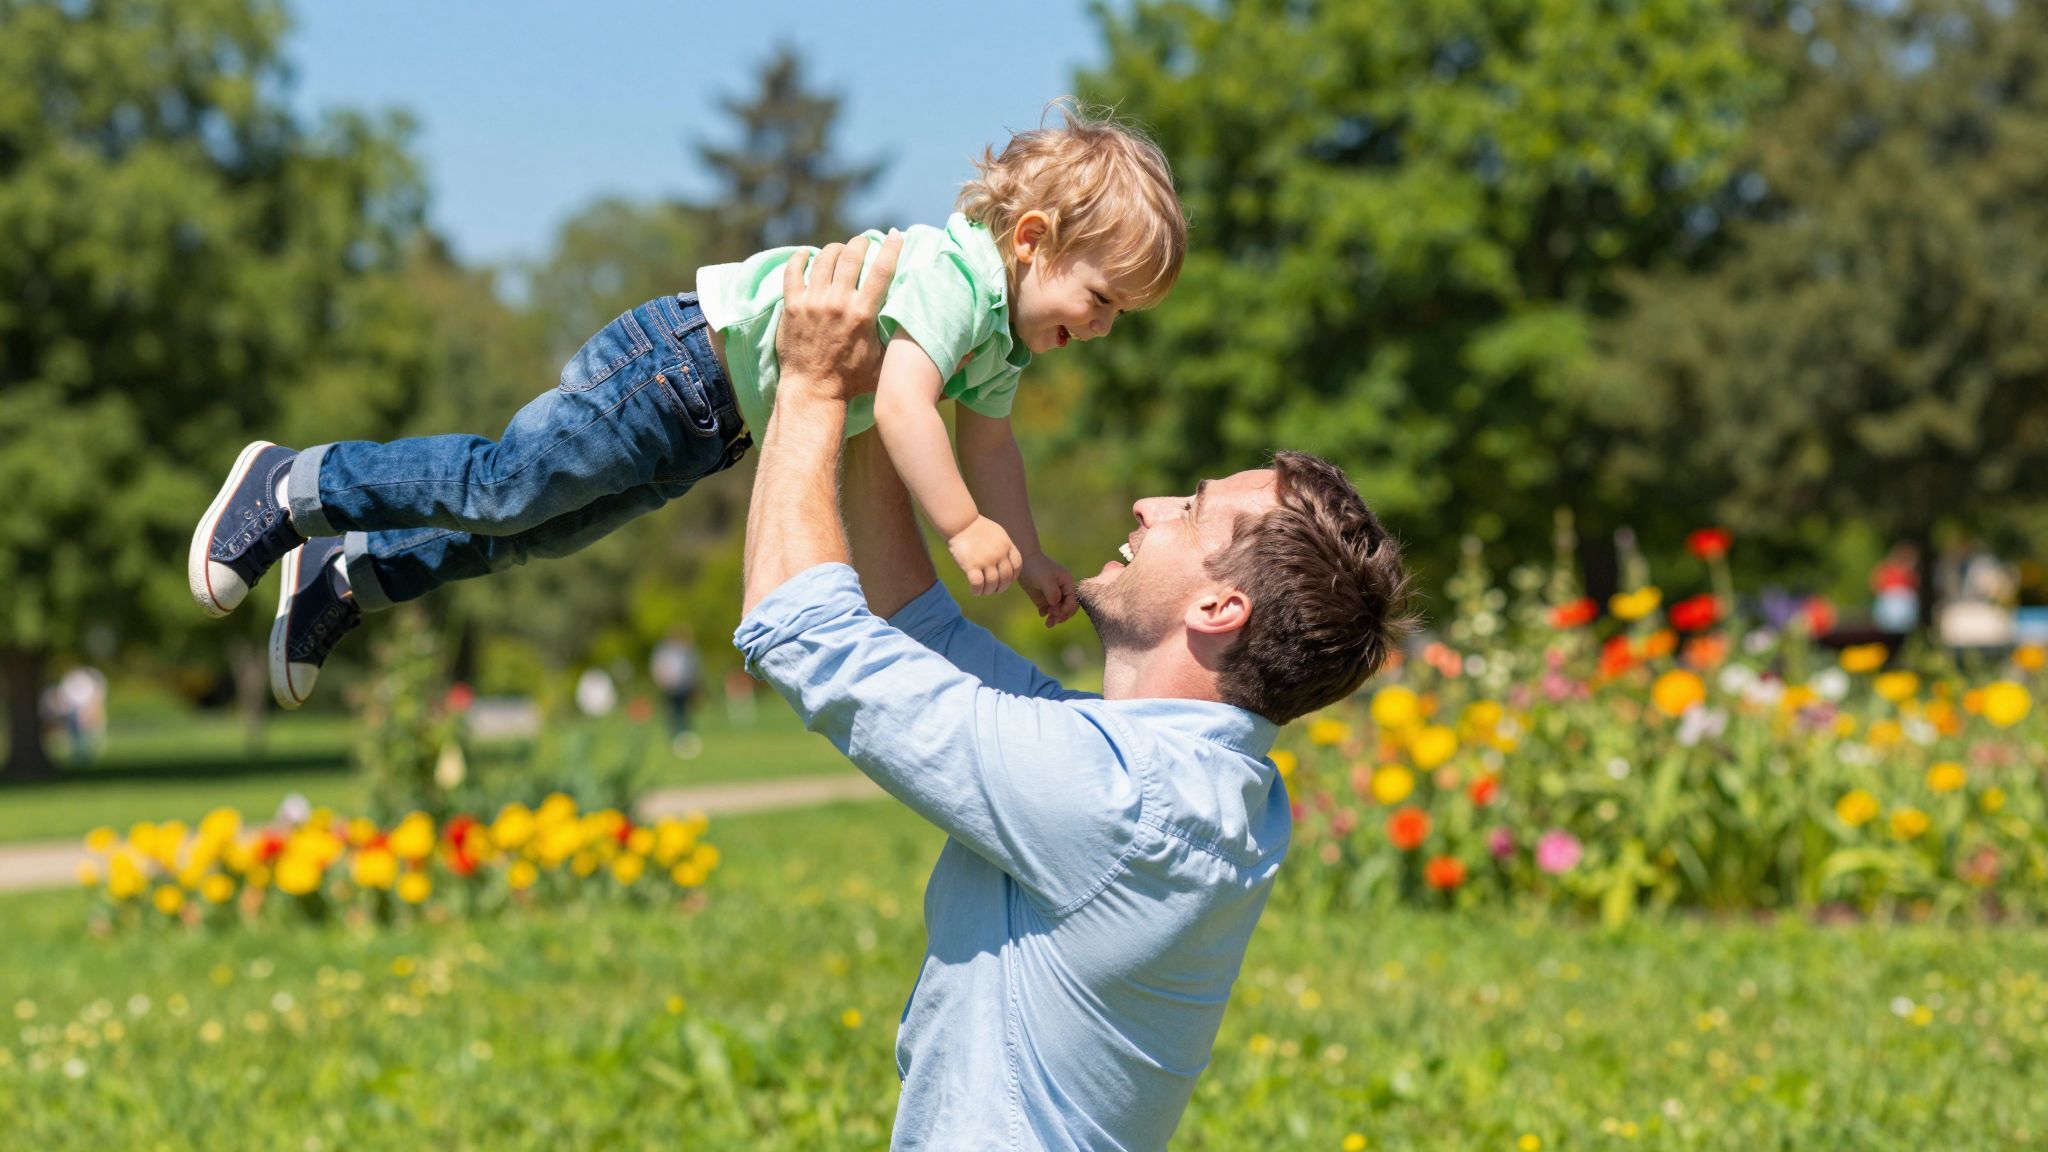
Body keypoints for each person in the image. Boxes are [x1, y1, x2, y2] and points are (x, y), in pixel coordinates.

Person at [737, 235, 1413, 1149]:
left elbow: (802, 629)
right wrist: (886, 397)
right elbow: (916, 631)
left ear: (1219, 606)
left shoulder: (1118, 802)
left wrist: (812, 386)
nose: (1149, 505)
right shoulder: (1192, 780)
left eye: (1191, 510)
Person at [186, 105, 1186, 710]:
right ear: (1032, 239)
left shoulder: (1001, 339)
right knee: (503, 485)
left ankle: (352, 574)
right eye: (1100, 300)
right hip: (674, 367)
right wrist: (960, 526)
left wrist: (1031, 550)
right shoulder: (953, 277)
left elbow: (992, 443)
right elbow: (908, 406)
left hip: (716, 425)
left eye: (1119, 316)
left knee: (536, 532)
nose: (1100, 328)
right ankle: (298, 481)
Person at [649, 627, 703, 758]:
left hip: (685, 687)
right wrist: (663, 681)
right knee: (673, 714)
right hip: (669, 687)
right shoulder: (664, 651)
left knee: (685, 713)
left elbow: (694, 669)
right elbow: (658, 667)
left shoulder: (688, 651)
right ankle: (675, 737)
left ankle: (685, 737)